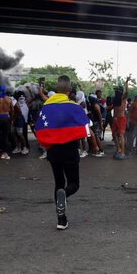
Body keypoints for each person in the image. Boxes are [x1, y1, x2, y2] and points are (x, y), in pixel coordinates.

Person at [35, 75, 90, 230]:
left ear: (56, 89)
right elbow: (86, 130)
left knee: (59, 183)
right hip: (70, 150)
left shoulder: (46, 106)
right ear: (69, 90)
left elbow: (39, 127)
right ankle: (65, 194)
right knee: (74, 184)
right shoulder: (74, 107)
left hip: (53, 152)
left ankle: (61, 220)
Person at [112, 76, 130, 160]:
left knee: (121, 135)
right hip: (115, 119)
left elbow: (127, 92)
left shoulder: (122, 98)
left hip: (121, 118)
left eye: (116, 90)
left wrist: (126, 82)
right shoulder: (115, 99)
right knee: (114, 135)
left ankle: (122, 152)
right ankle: (118, 149)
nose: (115, 91)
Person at [0, 86, 13, 160]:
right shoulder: (9, 100)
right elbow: (12, 110)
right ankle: (5, 154)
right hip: (6, 118)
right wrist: (11, 119)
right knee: (5, 136)